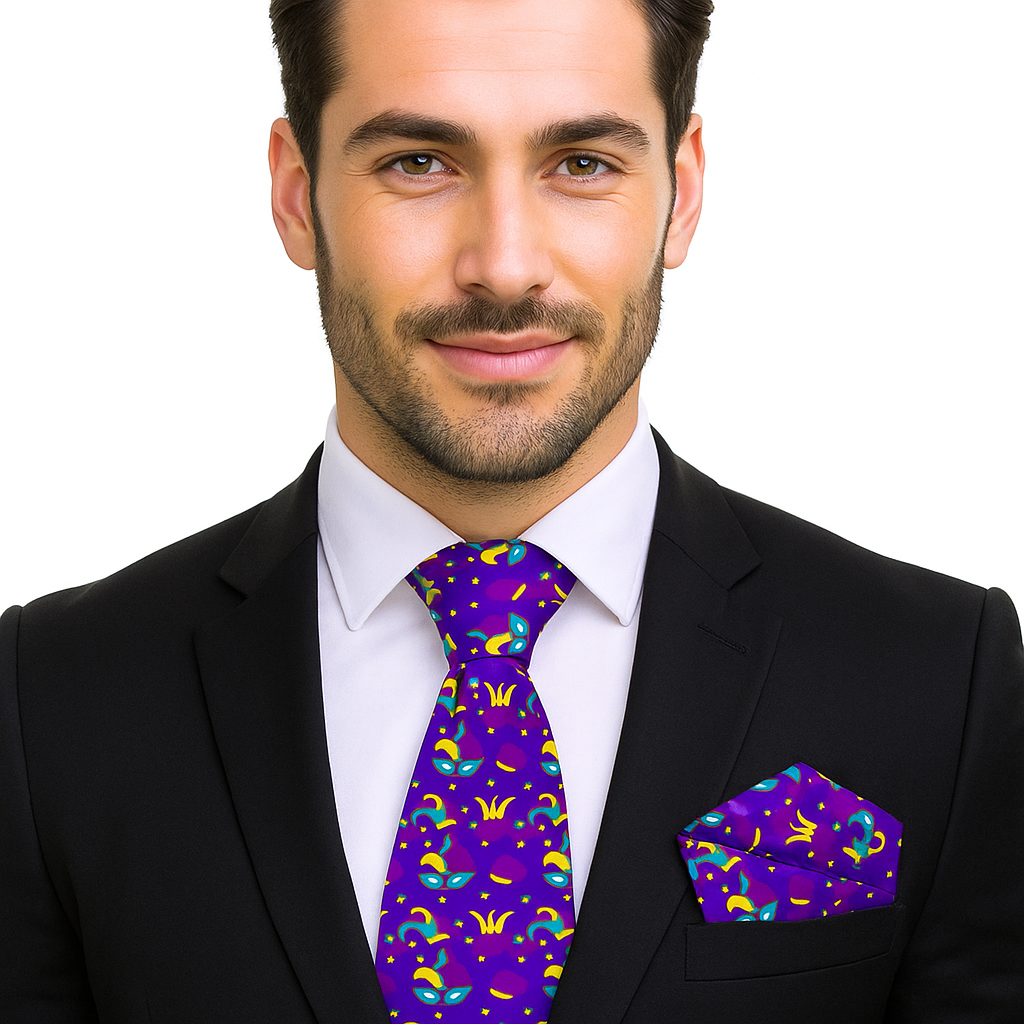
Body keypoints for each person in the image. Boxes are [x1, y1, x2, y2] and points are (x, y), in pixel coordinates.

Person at [1, 1, 1021, 1021]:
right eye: (417, 162)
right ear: (296, 193)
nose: (503, 264)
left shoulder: (941, 680)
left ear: (683, 190)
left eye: (581, 162)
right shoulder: (50, 704)